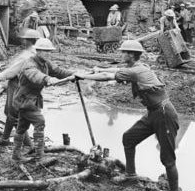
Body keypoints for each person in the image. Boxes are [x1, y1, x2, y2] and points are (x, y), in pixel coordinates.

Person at [75, 40, 180, 191]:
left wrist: (83, 76)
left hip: (164, 114)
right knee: (129, 138)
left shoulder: (135, 71)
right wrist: (98, 68)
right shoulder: (136, 67)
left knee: (168, 160)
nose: (122, 54)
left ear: (131, 55)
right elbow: (115, 69)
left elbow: (106, 76)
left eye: (124, 52)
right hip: (153, 113)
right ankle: (130, 176)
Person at [12, 38, 74, 162]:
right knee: (40, 121)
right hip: (25, 100)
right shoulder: (29, 64)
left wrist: (73, 74)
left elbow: (58, 71)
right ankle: (39, 157)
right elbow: (35, 75)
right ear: (37, 51)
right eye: (45, 51)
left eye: (49, 51)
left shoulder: (45, 63)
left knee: (22, 127)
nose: (48, 54)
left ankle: (16, 155)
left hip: (31, 99)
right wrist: (48, 79)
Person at [0, 29, 41, 149]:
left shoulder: (27, 55)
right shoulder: (36, 53)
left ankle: (29, 145)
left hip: (18, 84)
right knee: (10, 112)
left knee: (14, 115)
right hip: (26, 84)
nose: (23, 41)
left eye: (24, 39)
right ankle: (5, 138)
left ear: (27, 40)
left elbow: (13, 71)